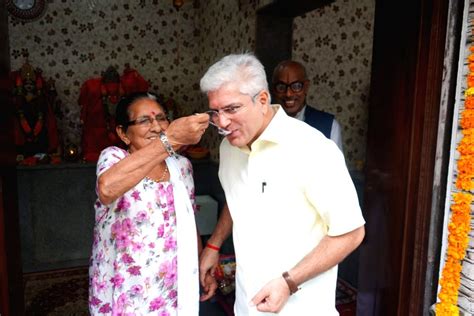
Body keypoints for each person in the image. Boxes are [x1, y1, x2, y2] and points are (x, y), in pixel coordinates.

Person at [198, 53, 365, 315]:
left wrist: (289, 282)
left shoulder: (312, 148)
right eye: (215, 112)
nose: (222, 123)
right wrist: (214, 244)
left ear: (263, 100)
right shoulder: (229, 148)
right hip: (246, 305)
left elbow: (351, 232)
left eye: (231, 109)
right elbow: (237, 196)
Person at [88, 92, 216, 315]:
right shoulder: (114, 158)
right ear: (123, 133)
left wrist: (201, 266)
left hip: (171, 288)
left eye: (161, 118)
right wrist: (170, 141)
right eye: (145, 120)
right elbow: (107, 189)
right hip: (125, 287)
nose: (156, 127)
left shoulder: (181, 166)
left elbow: (188, 220)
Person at [271, 60, 343, 151]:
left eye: (296, 86)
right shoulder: (262, 125)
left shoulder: (329, 126)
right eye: (281, 87)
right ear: (273, 89)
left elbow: (335, 165)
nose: (288, 94)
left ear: (306, 87)